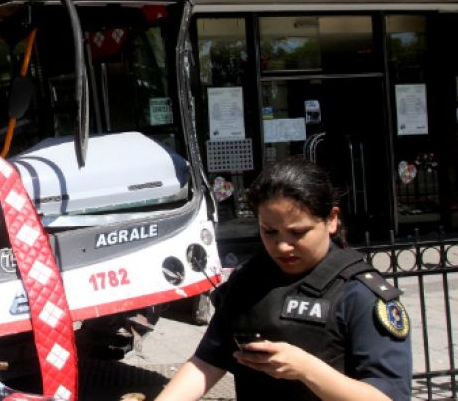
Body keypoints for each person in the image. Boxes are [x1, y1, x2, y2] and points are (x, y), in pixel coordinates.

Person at [156, 157, 411, 401]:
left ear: (331, 220)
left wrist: (306, 369)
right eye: (270, 232)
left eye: (297, 232)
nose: (282, 246)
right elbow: (207, 362)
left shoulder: (360, 294)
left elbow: (388, 396)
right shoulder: (248, 282)